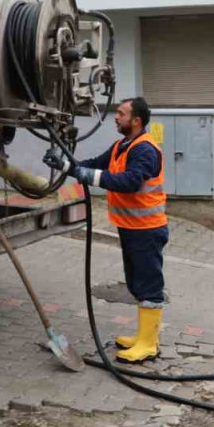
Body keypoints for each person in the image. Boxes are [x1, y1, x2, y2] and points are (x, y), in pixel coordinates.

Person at [45, 97, 167, 362]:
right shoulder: (122, 146)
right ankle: (144, 336)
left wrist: (89, 177)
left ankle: (148, 343)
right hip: (131, 226)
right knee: (136, 282)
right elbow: (93, 164)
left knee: (149, 284)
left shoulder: (144, 149)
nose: (116, 116)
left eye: (121, 113)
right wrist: (66, 166)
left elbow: (130, 182)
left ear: (136, 121)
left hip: (146, 229)